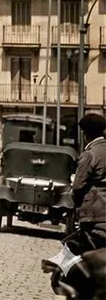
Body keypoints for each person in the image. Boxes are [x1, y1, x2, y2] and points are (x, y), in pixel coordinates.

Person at [45, 112, 106, 275]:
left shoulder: (89, 155)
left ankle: (61, 275)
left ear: (85, 134)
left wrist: (76, 203)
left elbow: (78, 187)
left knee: (73, 250)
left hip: (93, 217)